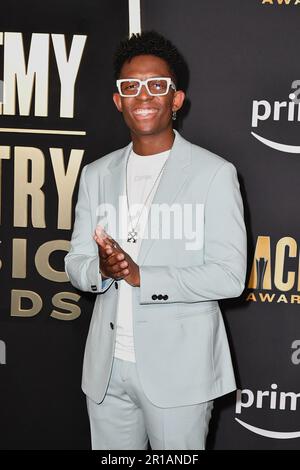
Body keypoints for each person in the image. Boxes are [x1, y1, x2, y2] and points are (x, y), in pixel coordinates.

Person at [64, 30, 247, 450]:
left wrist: (144, 276)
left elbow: (230, 277)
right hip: (106, 371)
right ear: (118, 100)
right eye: (131, 86)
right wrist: (102, 270)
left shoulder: (214, 174)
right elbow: (76, 261)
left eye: (156, 85)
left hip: (180, 374)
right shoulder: (96, 173)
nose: (143, 95)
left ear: (175, 99)